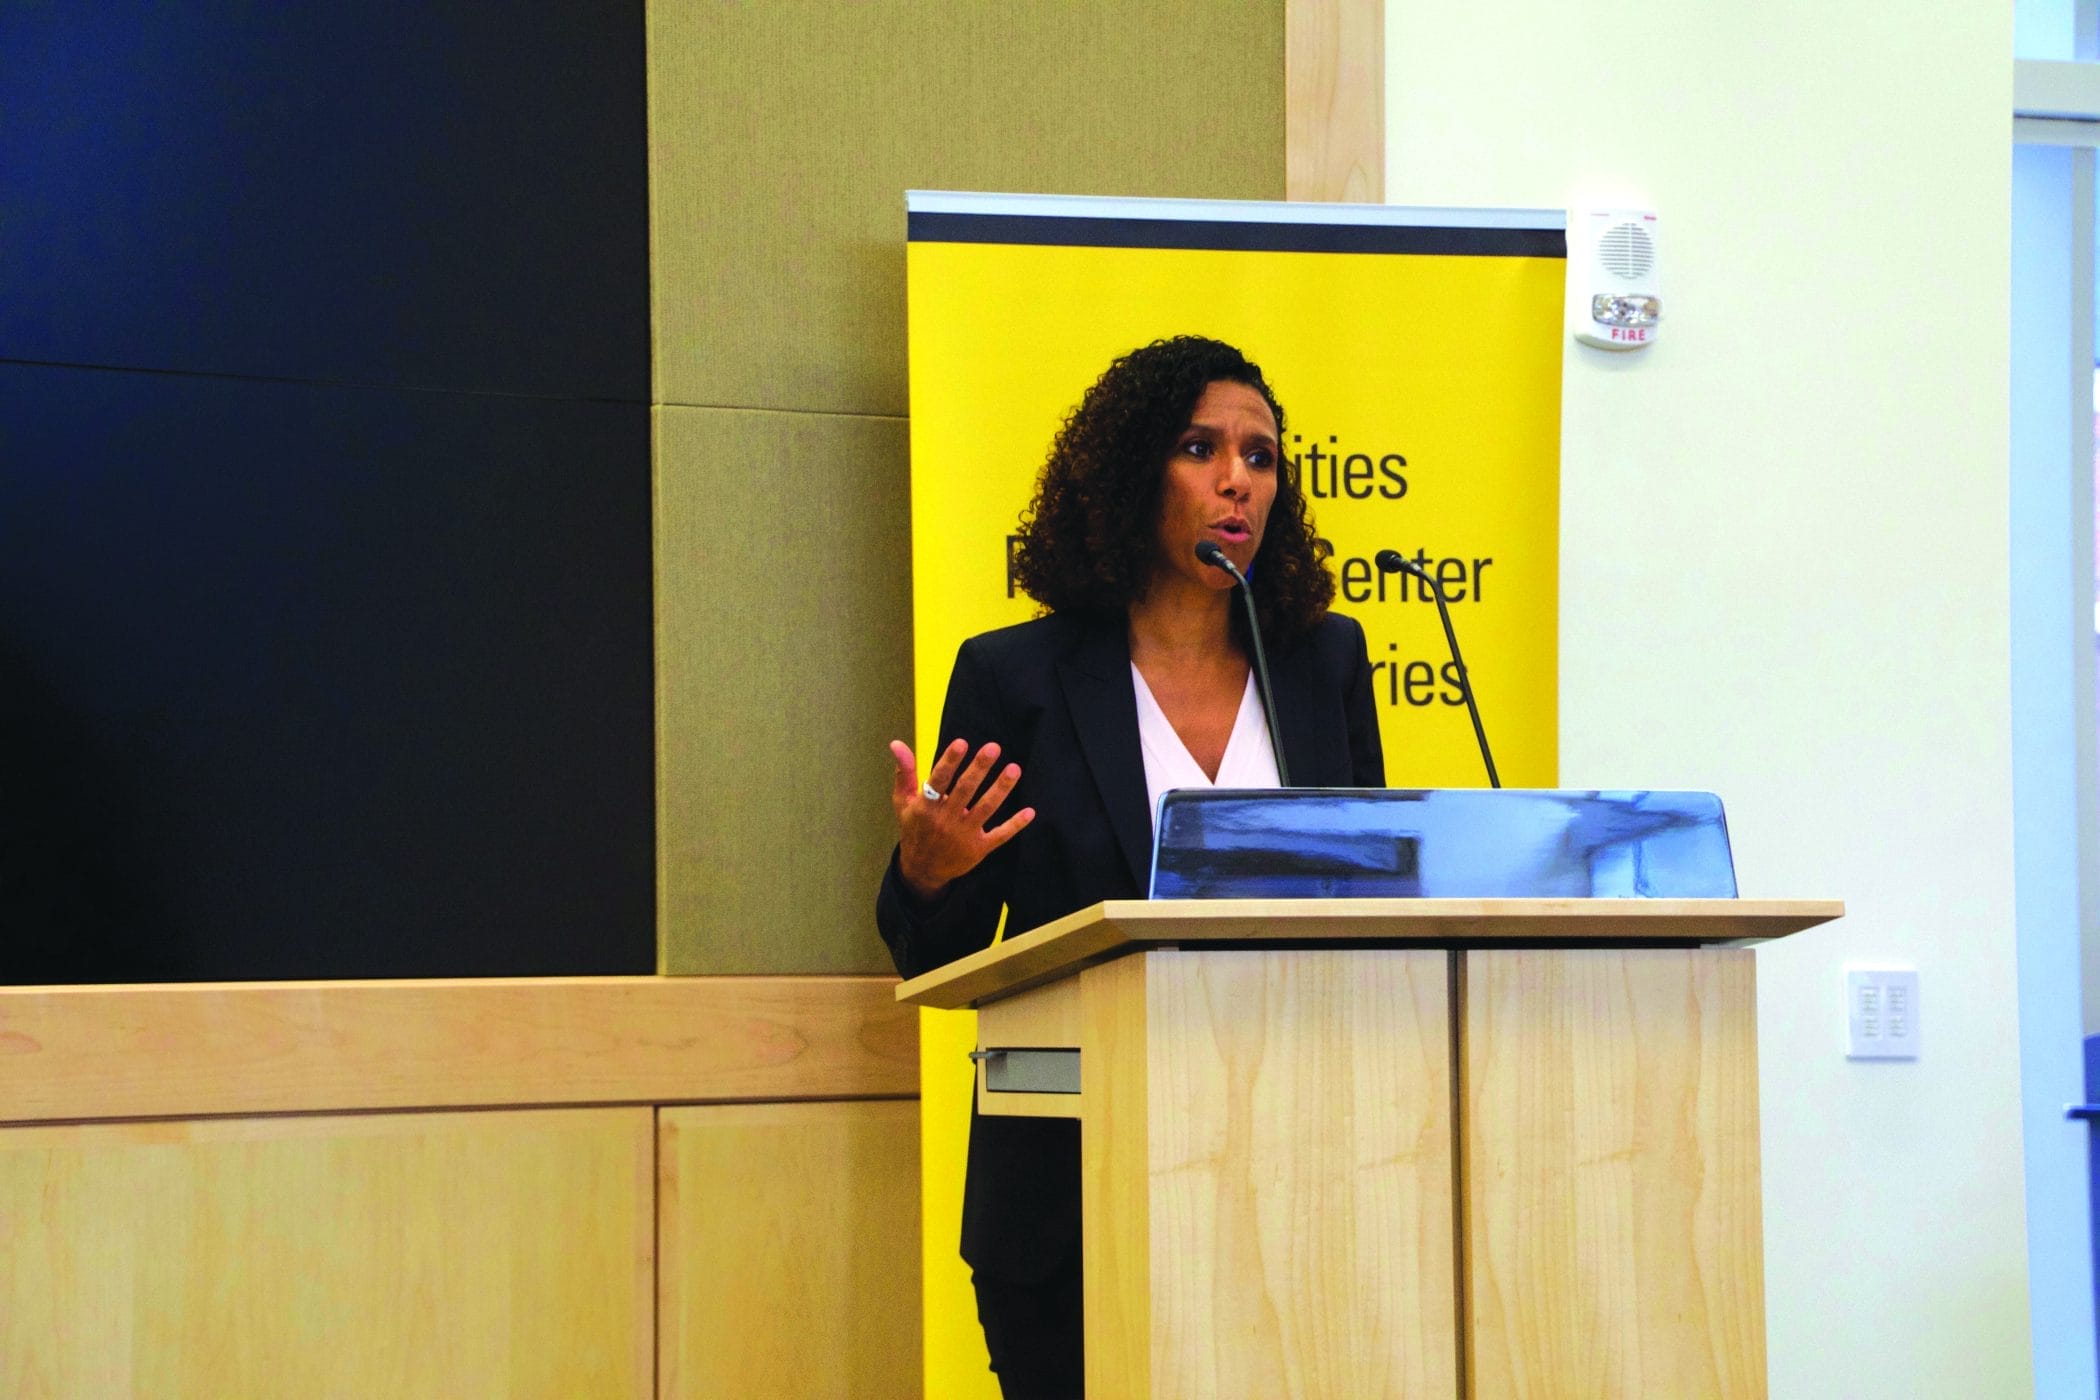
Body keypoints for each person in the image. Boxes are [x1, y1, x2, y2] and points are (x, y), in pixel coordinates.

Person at [875, 335, 1384, 1398]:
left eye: (1261, 454)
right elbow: (947, 958)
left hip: (1290, 1169)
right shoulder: (1016, 675)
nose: (1238, 477)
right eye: (1201, 448)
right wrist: (930, 871)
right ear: (1131, 472)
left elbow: (1368, 904)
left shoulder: (1323, 661)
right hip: (1071, 1187)